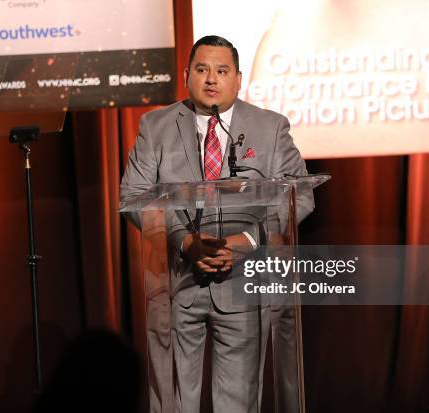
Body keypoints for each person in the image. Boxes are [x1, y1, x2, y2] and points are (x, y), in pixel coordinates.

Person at [120, 35, 314, 413]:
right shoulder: (155, 126)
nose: (212, 79)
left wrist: (244, 240)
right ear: (186, 74)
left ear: (238, 78)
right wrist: (183, 240)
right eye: (202, 69)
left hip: (244, 289)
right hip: (177, 287)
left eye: (222, 71)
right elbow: (134, 197)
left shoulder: (271, 128)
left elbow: (299, 196)